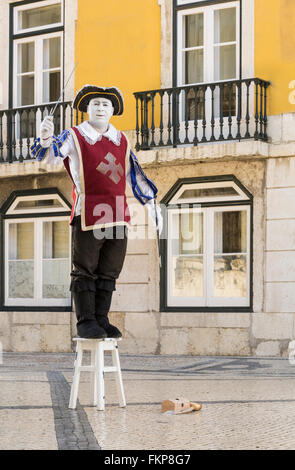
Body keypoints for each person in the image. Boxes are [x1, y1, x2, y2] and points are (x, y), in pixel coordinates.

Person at [31, 85, 162, 339]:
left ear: (112, 110)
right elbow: (48, 157)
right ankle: (86, 321)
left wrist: (153, 204)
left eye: (105, 104)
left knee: (110, 270)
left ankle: (101, 318)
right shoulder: (75, 136)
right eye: (96, 104)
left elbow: (135, 176)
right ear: (87, 109)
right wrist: (46, 137)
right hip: (88, 212)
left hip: (118, 213)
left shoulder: (121, 140)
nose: (101, 108)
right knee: (85, 268)